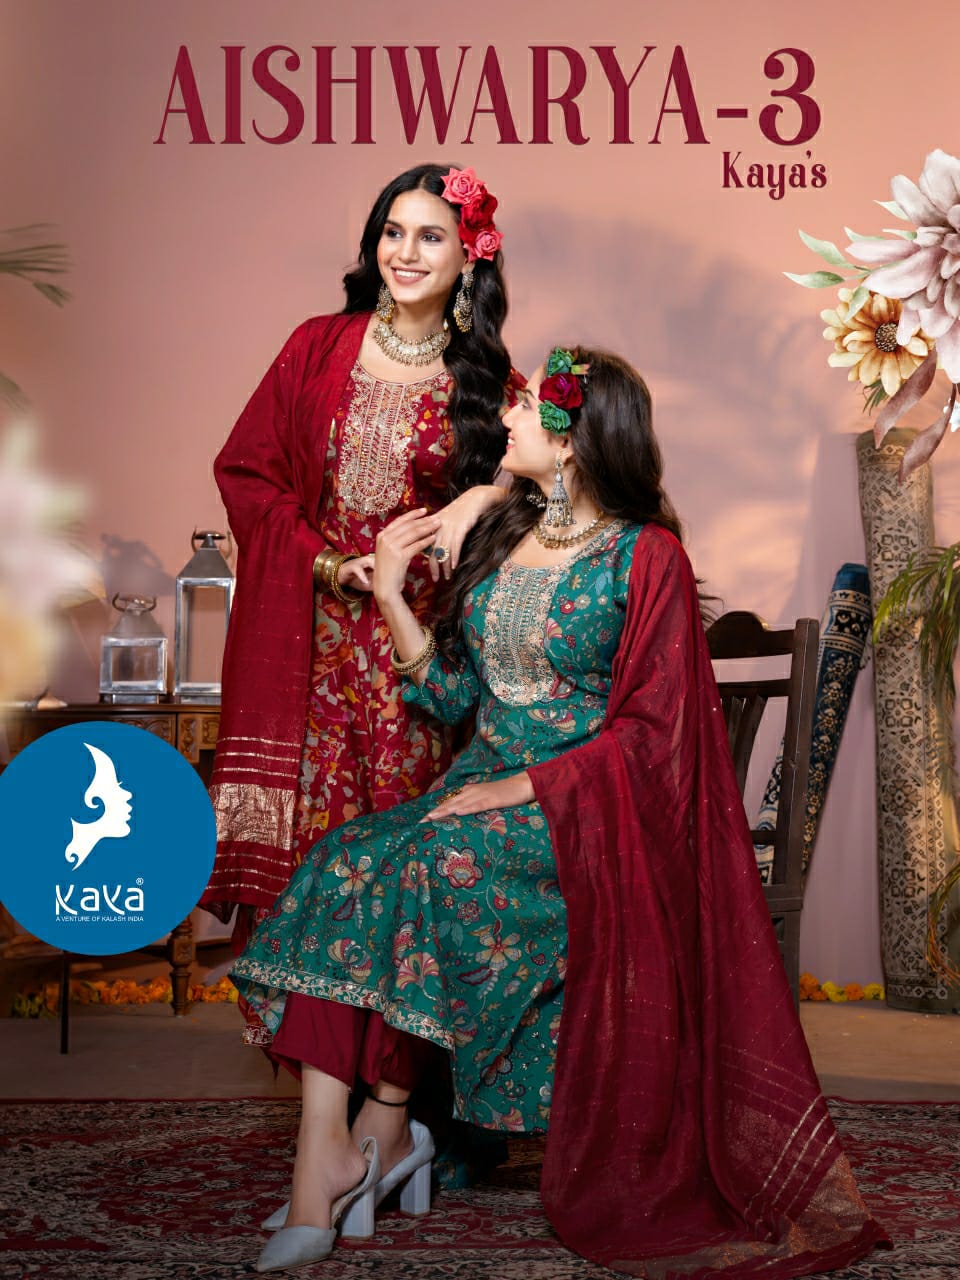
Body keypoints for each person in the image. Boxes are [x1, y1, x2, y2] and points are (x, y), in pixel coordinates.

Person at [231, 346, 888, 1277]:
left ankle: (371, 1137)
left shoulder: (645, 558)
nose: (508, 413)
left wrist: (522, 787)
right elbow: (453, 696)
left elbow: (654, 733)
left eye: (530, 402)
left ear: (572, 438)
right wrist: (388, 595)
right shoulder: (503, 538)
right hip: (477, 794)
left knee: (418, 865)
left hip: (586, 816)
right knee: (344, 859)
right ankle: (341, 1149)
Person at [200, 164, 523, 978]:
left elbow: (557, 476)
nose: (404, 253)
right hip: (310, 648)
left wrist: (481, 495)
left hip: (416, 661)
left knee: (397, 851)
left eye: (430, 236)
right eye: (392, 232)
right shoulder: (316, 347)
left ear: (471, 257)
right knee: (309, 841)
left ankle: (391, 1049)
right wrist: (331, 565)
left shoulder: (486, 379)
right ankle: (308, 1045)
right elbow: (247, 472)